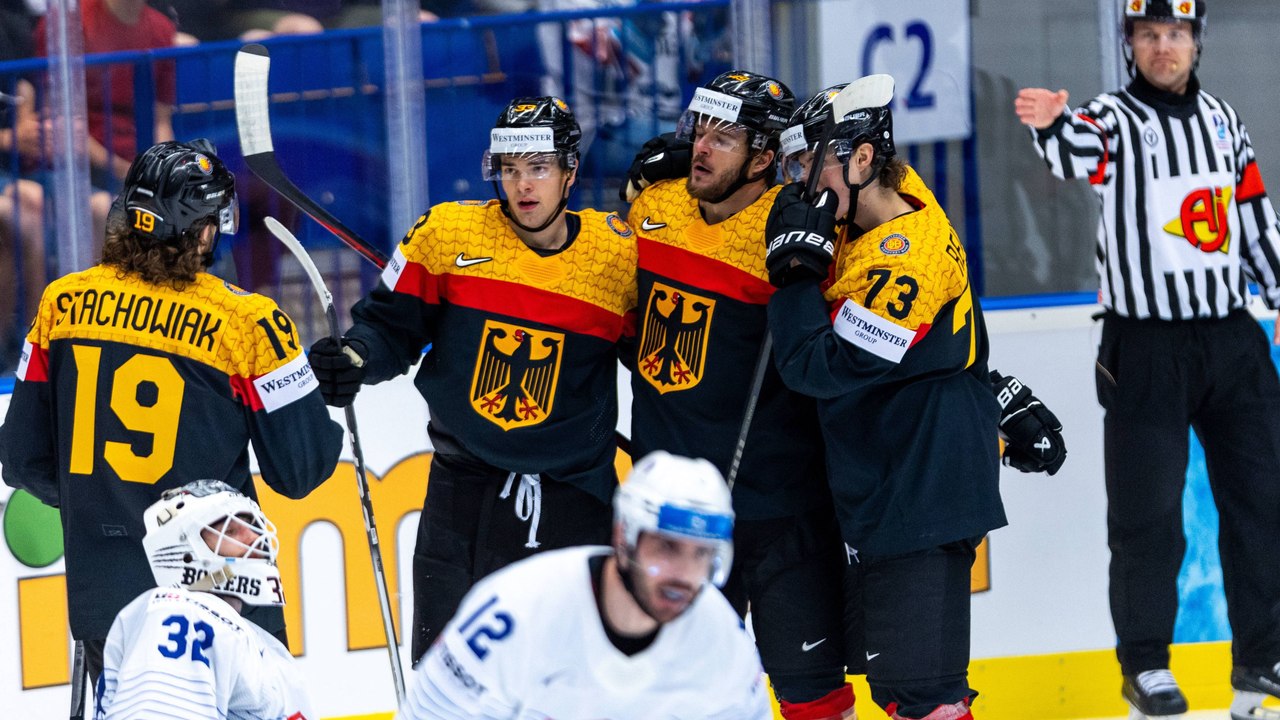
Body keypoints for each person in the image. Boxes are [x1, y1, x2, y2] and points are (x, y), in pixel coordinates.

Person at [1014, 2, 1280, 717]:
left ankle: (1262, 658)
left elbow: (1254, 217)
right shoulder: (1113, 119)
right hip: (1145, 346)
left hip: (1229, 339)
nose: (1164, 47)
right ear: (1130, 43)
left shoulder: (1223, 120)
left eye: (1177, 34)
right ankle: (1146, 665)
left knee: (1263, 502)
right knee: (1149, 517)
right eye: (1150, 35)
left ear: (1196, 42)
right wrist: (1051, 126)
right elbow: (1074, 150)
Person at [308, 96, 637, 667]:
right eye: (510, 169)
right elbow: (388, 326)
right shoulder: (447, 234)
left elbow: (658, 362)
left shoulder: (616, 257)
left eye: (539, 167)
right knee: (448, 680)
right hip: (462, 497)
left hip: (575, 502)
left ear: (570, 171)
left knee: (573, 683)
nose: (523, 185)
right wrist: (356, 357)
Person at [0, 138, 343, 684]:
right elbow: (301, 471)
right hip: (221, 598)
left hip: (105, 601)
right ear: (202, 230)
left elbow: (21, 460)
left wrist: (102, 501)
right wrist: (314, 391)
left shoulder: (63, 304)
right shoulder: (246, 322)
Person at [762, 73, 1008, 720]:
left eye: (808, 164)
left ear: (864, 158)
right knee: (899, 687)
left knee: (923, 694)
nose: (798, 183)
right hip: (888, 481)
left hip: (923, 489)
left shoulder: (907, 258)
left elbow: (820, 367)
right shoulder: (890, 198)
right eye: (791, 165)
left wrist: (794, 276)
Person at [620, 70, 856, 719]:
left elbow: (855, 346)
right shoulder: (654, 211)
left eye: (723, 137)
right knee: (679, 695)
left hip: (781, 510)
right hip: (676, 514)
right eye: (700, 129)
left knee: (810, 692)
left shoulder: (795, 224)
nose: (700, 146)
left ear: (762, 157)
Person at [399, 450, 771, 719]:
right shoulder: (515, 611)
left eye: (702, 554)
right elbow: (430, 712)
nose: (684, 574)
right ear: (623, 536)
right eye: (667, 547)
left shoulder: (722, 640)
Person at [95, 479, 314, 719]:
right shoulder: (179, 613)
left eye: (252, 525)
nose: (254, 537)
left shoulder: (257, 639)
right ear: (186, 553)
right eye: (230, 531)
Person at [35, 0, 178, 186]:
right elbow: (61, 123)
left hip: (138, 164)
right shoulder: (66, 24)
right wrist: (127, 172)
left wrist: (160, 170)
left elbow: (161, 121)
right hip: (80, 170)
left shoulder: (163, 29)